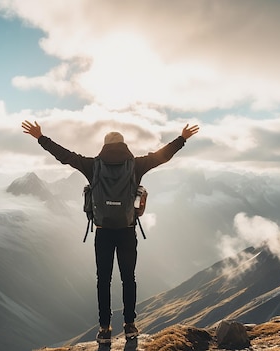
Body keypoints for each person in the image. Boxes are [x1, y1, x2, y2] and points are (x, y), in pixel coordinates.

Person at [21, 120, 199, 344]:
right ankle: (130, 326)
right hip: (127, 231)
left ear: (104, 146)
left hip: (103, 231)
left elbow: (65, 156)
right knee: (128, 279)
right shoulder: (135, 165)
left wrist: (41, 137)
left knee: (103, 280)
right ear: (124, 145)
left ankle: (105, 329)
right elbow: (161, 157)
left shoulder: (93, 166)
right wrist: (182, 139)